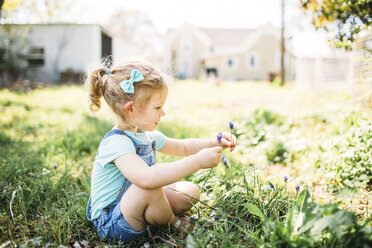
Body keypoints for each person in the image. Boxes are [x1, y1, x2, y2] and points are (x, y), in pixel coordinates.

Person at [85, 60, 237, 242]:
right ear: (131, 108)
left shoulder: (145, 135)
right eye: (157, 108)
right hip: (112, 222)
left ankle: (155, 215)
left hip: (135, 204)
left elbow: (184, 147)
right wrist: (198, 162)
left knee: (190, 191)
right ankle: (175, 225)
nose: (162, 113)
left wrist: (215, 142)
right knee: (150, 188)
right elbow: (147, 178)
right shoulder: (116, 143)